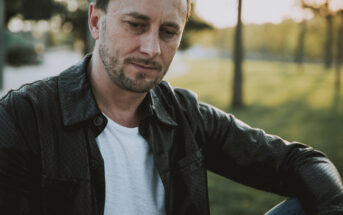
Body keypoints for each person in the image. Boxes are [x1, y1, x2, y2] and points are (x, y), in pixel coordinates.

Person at [0, 0, 342, 214]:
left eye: (168, 32)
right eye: (135, 25)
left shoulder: (184, 114)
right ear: (95, 21)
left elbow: (302, 161)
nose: (151, 48)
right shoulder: (22, 116)